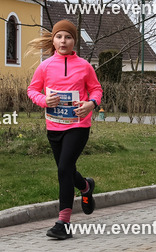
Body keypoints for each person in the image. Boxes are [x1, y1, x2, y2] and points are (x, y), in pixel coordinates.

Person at [26, 20, 103, 240]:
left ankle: (64, 223)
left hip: (78, 125)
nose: (63, 41)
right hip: (54, 125)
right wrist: (44, 100)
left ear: (74, 41)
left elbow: (96, 89)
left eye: (68, 37)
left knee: (63, 169)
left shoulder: (84, 66)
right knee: (66, 169)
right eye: (59, 37)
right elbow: (32, 90)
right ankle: (85, 186)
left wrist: (91, 104)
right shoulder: (46, 66)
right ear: (53, 40)